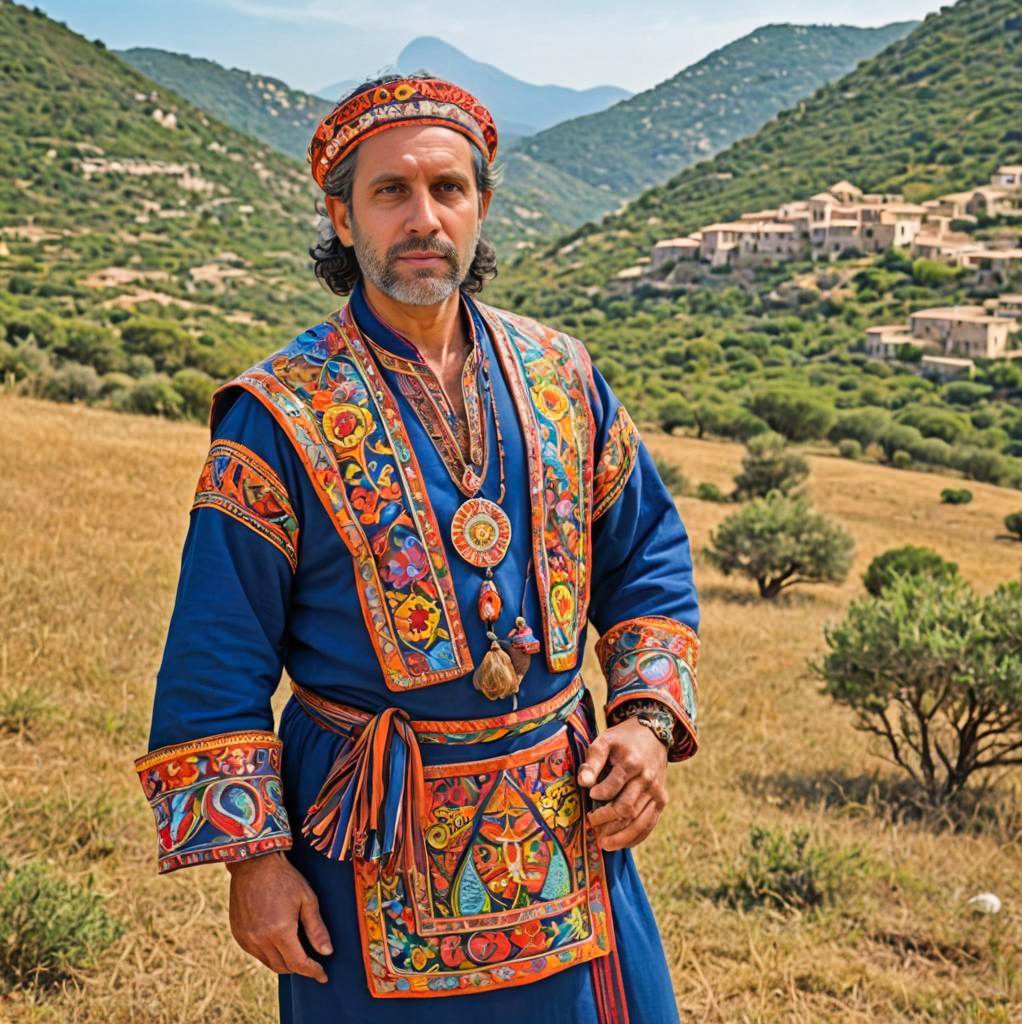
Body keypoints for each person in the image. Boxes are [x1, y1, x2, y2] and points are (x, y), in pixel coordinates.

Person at [135, 74, 700, 1024]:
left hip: (569, 833)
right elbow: (216, 650)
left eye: (449, 189)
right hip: (371, 846)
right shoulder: (277, 414)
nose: (423, 216)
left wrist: (644, 721)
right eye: (390, 191)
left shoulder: (565, 377)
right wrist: (254, 859)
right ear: (343, 217)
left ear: (482, 206)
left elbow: (646, 556)